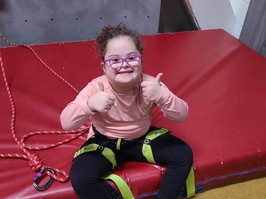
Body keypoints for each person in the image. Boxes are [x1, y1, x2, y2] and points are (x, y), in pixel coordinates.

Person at [60, 23, 193, 199]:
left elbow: (182, 115)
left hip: (141, 140)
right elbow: (66, 122)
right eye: (114, 60)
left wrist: (161, 95)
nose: (124, 64)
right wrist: (90, 104)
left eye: (131, 58)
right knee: (81, 177)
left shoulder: (151, 84)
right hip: (104, 142)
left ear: (141, 61)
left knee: (183, 154)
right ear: (104, 67)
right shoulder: (97, 87)